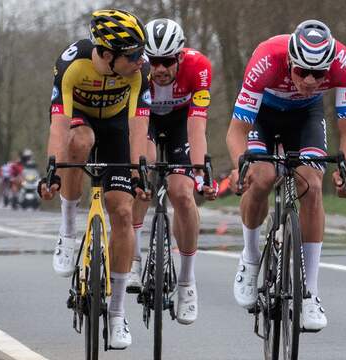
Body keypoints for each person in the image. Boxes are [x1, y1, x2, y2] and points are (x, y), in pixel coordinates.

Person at [226, 20, 346, 331]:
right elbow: (237, 130)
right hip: (264, 115)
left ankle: (310, 292)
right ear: (289, 61)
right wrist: (239, 166)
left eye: (319, 74)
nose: (311, 80)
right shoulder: (266, 59)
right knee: (260, 177)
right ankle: (249, 256)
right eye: (302, 72)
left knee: (312, 187)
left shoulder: (344, 63)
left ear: (329, 65)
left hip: (306, 118)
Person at [37, 9, 150, 349]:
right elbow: (59, 123)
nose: (141, 60)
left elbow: (137, 127)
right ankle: (68, 229)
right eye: (133, 55)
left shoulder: (137, 73)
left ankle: (117, 313)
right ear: (108, 54)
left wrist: (137, 171)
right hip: (80, 121)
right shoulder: (72, 63)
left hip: (117, 128)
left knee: (123, 213)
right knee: (80, 141)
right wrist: (53, 171)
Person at [128, 18, 218, 325]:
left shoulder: (199, 68)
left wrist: (201, 172)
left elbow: (198, 125)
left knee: (182, 193)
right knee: (144, 169)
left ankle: (187, 282)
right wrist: (140, 167)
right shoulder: (138, 71)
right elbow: (137, 126)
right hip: (148, 122)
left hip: (182, 125)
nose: (160, 69)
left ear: (180, 56)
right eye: (154, 62)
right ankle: (134, 258)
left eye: (167, 61)